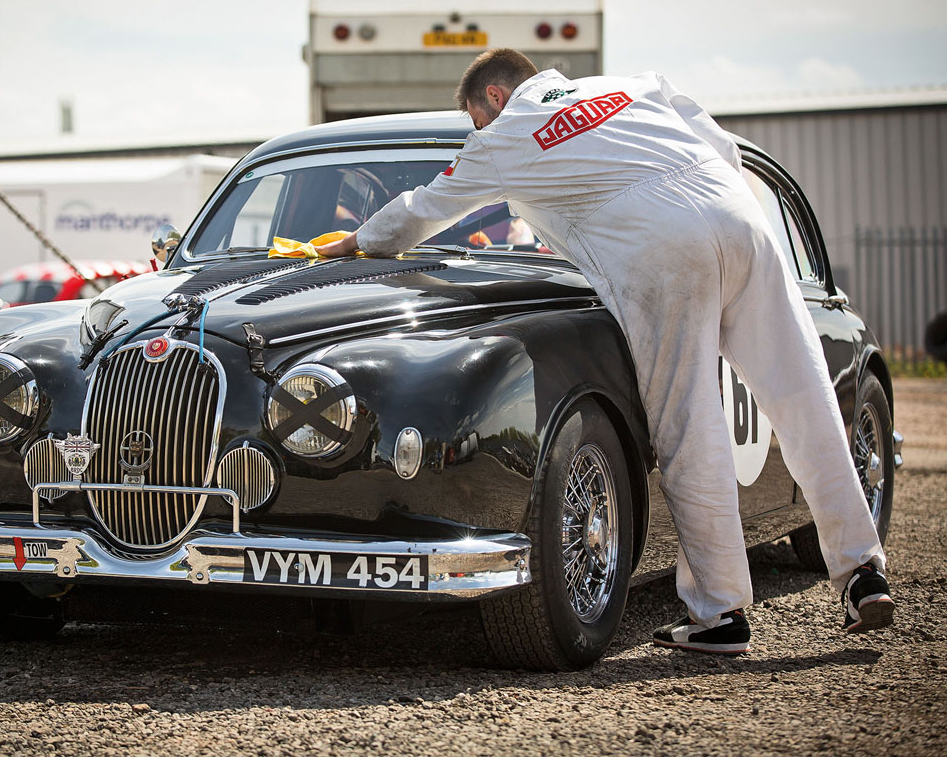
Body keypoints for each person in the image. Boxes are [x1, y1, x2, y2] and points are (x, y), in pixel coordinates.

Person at [315, 48, 894, 653]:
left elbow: (421, 212)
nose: (477, 134)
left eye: (475, 122)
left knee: (688, 423)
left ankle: (720, 613)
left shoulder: (506, 134)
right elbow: (724, 149)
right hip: (738, 217)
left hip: (659, 249)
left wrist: (356, 241)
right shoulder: (637, 85)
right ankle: (862, 569)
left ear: (493, 96)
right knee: (804, 393)